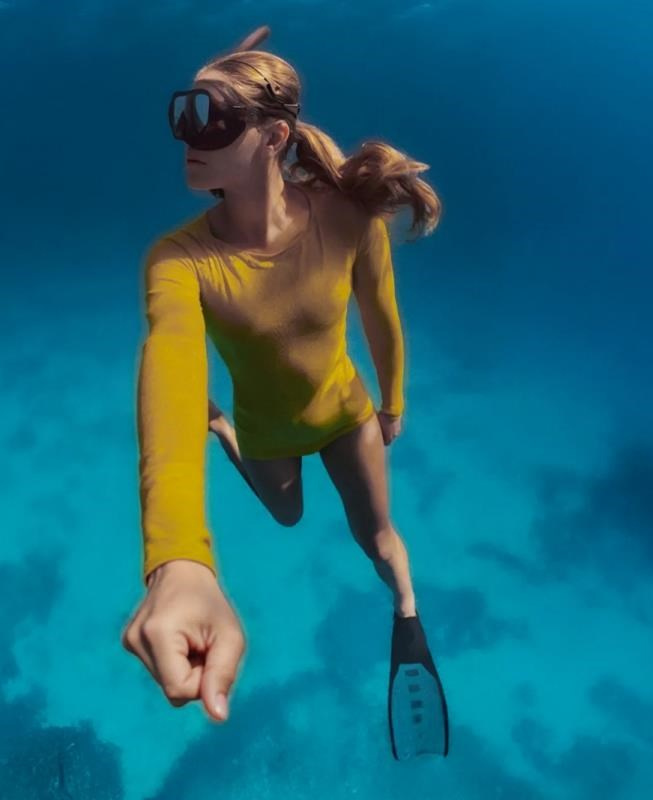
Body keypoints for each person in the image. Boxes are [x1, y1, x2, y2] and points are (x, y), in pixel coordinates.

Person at [121, 24, 447, 757]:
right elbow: (170, 364)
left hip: (345, 414)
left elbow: (382, 319)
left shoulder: (347, 217)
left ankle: (407, 611)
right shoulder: (179, 259)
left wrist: (392, 403)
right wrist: (178, 554)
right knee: (289, 516)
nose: (188, 136)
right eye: (183, 113)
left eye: (211, 118)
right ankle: (225, 431)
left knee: (380, 539)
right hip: (267, 429)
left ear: (273, 137)